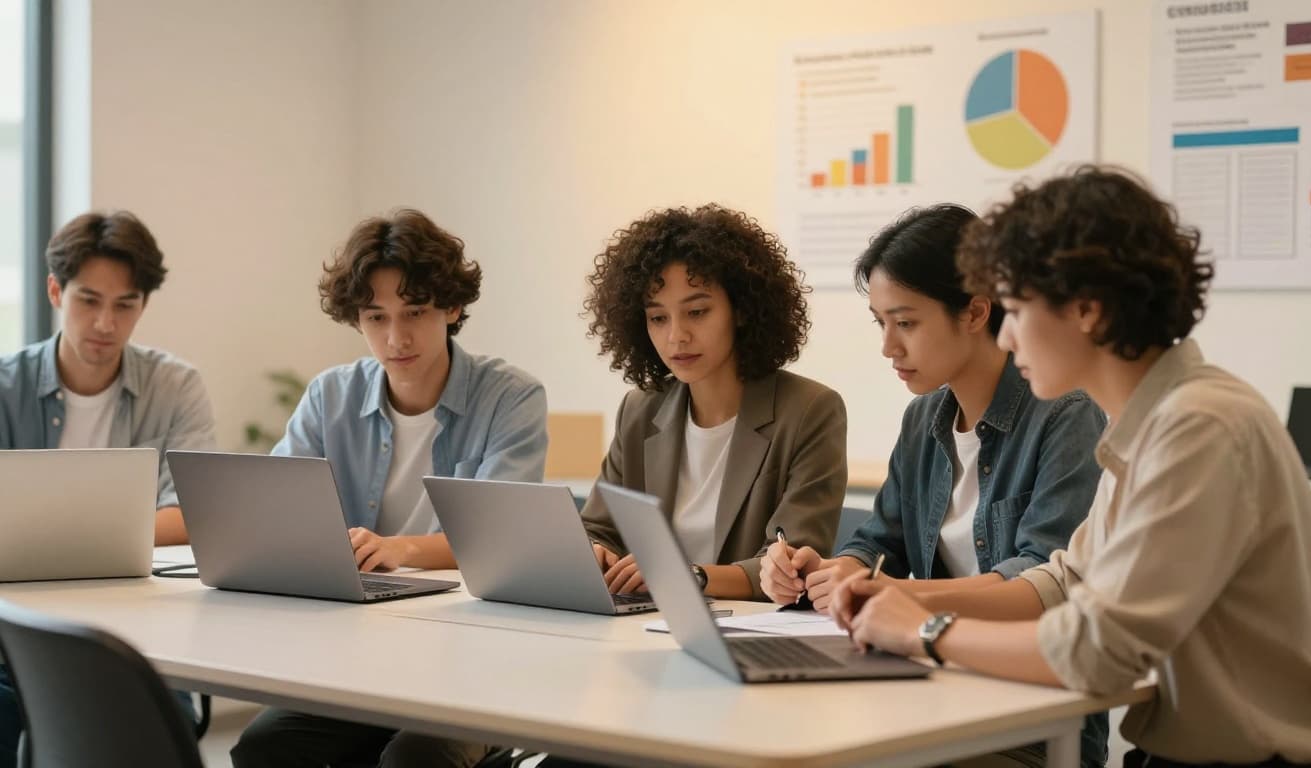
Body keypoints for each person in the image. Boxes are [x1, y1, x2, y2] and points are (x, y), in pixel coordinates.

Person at [832, 166, 1311, 766]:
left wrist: (924, 630)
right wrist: (899, 603)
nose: (1007, 338)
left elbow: (1094, 652)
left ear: (1088, 311)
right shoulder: (1154, 421)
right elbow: (1068, 579)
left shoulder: (1198, 427)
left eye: (1017, 311)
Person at [760, 204, 1108, 768]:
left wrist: (896, 598)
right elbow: (880, 540)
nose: (888, 347)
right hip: (931, 693)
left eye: (907, 322)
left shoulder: (1065, 415)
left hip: (1031, 722)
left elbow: (1044, 579)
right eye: (880, 322)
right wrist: (839, 570)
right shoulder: (925, 419)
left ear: (974, 312)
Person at [230, 208, 547, 768]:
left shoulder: (510, 397)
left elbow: (502, 543)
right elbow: (274, 516)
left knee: (414, 761)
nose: (396, 337)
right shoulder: (330, 397)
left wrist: (398, 549)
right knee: (264, 748)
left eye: (415, 312)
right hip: (356, 655)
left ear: (452, 308)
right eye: (376, 317)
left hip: (469, 659)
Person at [0, 209, 216, 766]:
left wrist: (53, 540)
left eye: (126, 305)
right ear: (55, 290)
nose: (105, 324)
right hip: (15, 641)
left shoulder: (175, 387)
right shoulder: (6, 387)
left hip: (142, 639)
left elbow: (193, 512)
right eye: (88, 300)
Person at [578, 204, 847, 601]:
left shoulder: (810, 410)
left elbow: (792, 564)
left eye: (697, 312)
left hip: (747, 632)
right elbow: (598, 528)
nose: (676, 337)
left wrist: (687, 576)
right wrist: (596, 553)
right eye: (658, 318)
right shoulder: (640, 409)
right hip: (645, 622)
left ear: (740, 310)